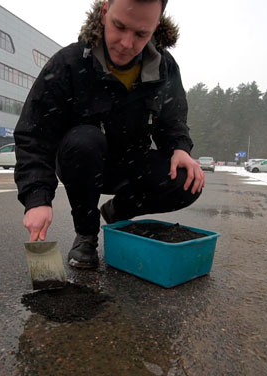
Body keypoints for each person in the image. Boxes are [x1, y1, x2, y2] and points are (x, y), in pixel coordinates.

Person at [14, 0, 204, 269]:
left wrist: (180, 148)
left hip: (130, 167)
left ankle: (118, 211)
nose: (127, 43)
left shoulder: (163, 67)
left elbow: (172, 120)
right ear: (104, 12)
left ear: (156, 27)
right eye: (119, 26)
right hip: (82, 162)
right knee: (84, 141)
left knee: (188, 179)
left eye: (141, 34)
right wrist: (37, 199)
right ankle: (86, 235)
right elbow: (34, 135)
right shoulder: (69, 63)